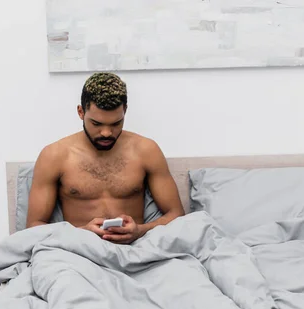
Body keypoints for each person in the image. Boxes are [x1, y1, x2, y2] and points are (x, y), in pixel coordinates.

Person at [26, 72, 185, 244]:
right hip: (79, 251)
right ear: (81, 112)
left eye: (116, 123)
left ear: (125, 110)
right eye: (96, 124)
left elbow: (176, 214)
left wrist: (140, 230)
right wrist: (82, 232)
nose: (106, 133)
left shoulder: (146, 151)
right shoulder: (54, 156)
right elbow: (34, 226)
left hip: (136, 249)